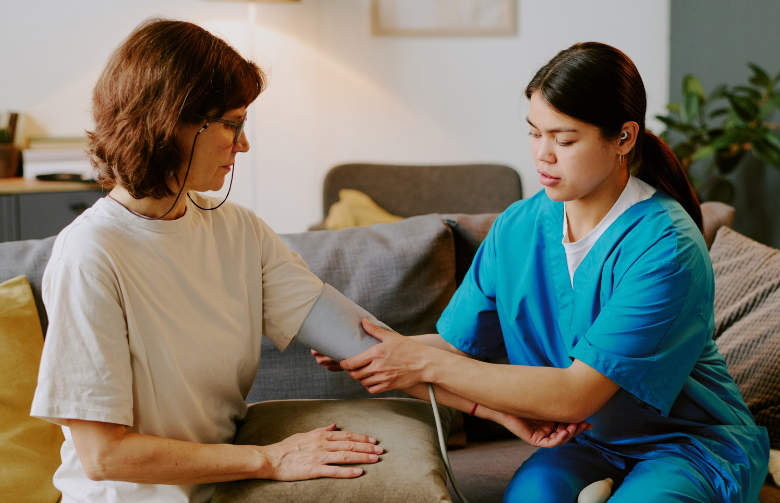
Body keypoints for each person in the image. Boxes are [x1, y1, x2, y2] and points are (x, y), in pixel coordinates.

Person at [314, 42, 770, 502]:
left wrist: (420, 361)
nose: (543, 155)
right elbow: (456, 347)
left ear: (624, 138)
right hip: (585, 440)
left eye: (564, 139)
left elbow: (576, 394)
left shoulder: (666, 247)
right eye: (534, 133)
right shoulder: (517, 226)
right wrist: (376, 349)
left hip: (686, 443)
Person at [29, 19, 389, 503]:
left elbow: (361, 341)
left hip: (218, 489)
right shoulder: (91, 254)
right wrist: (269, 458)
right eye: (233, 124)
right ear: (171, 123)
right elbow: (104, 457)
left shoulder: (236, 229)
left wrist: (486, 399)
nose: (243, 144)